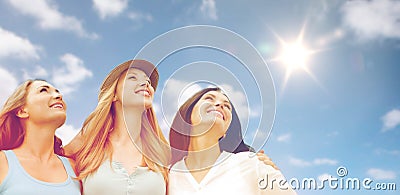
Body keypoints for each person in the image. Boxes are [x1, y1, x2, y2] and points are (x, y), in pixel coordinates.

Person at [64, 60, 170, 195]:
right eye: (132, 77)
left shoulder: (161, 153)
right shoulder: (89, 144)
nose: (146, 84)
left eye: (148, 82)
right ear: (114, 94)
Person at [168, 87, 297, 195]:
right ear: (188, 114)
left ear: (226, 131)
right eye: (209, 99)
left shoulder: (252, 163)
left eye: (227, 106)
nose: (220, 105)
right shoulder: (168, 175)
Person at [0, 79, 81, 195]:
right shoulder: (3, 162)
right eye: (43, 90)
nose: (59, 96)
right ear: (22, 111)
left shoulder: (74, 168)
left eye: (58, 92)